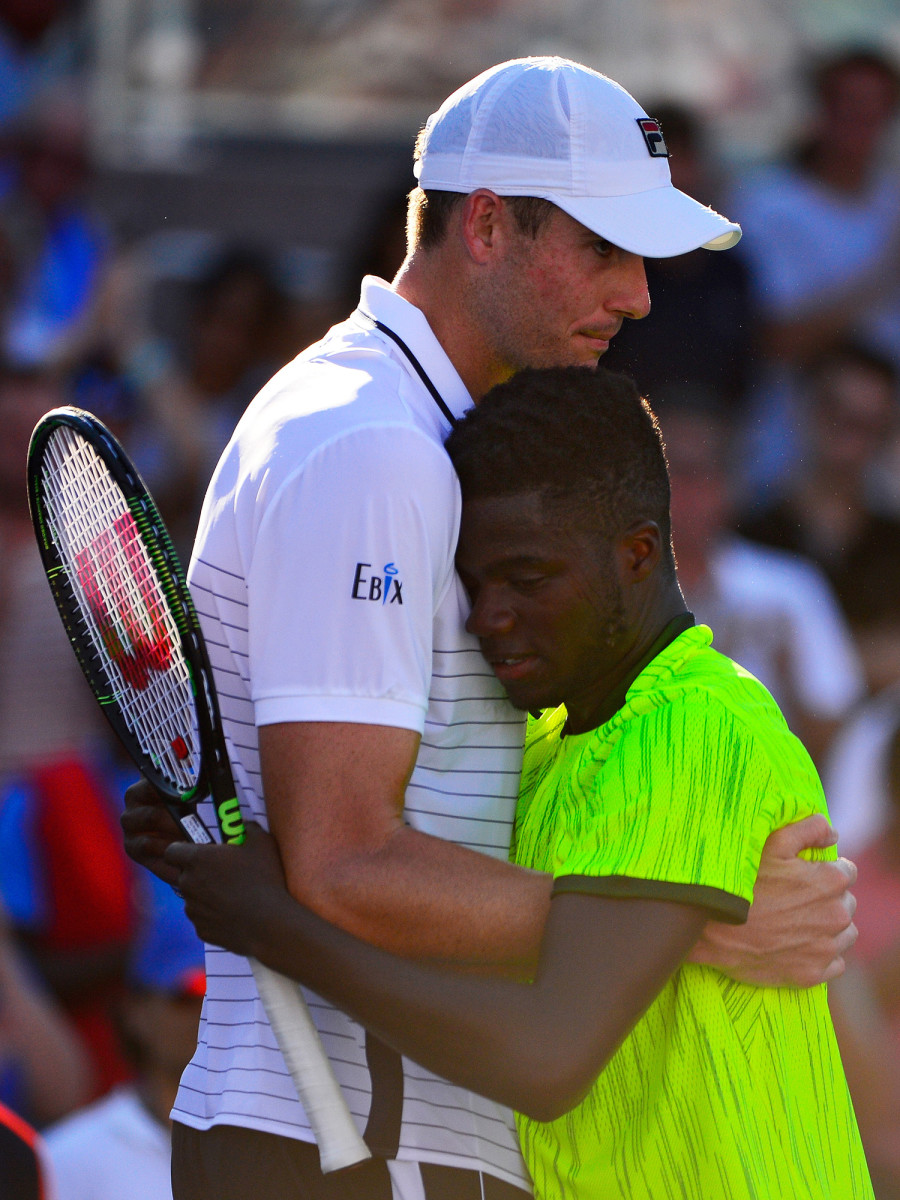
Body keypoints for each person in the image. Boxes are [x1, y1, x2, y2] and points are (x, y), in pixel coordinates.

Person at [122, 57, 856, 1200]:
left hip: (369, 1134)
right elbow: (345, 859)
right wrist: (684, 928)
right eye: (602, 251)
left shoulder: (378, 420)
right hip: (352, 1148)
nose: (639, 296)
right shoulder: (377, 446)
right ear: (484, 226)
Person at [168, 366, 872, 1199]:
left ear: (638, 553)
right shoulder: (542, 740)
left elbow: (546, 1056)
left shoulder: (699, 723)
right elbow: (549, 936)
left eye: (528, 579)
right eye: (472, 581)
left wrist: (273, 923)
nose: (486, 614)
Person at [44, 872, 207, 1200]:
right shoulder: (64, 1160)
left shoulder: (288, 1144)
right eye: (190, 995)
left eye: (229, 995)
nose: (209, 1014)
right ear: (135, 1011)